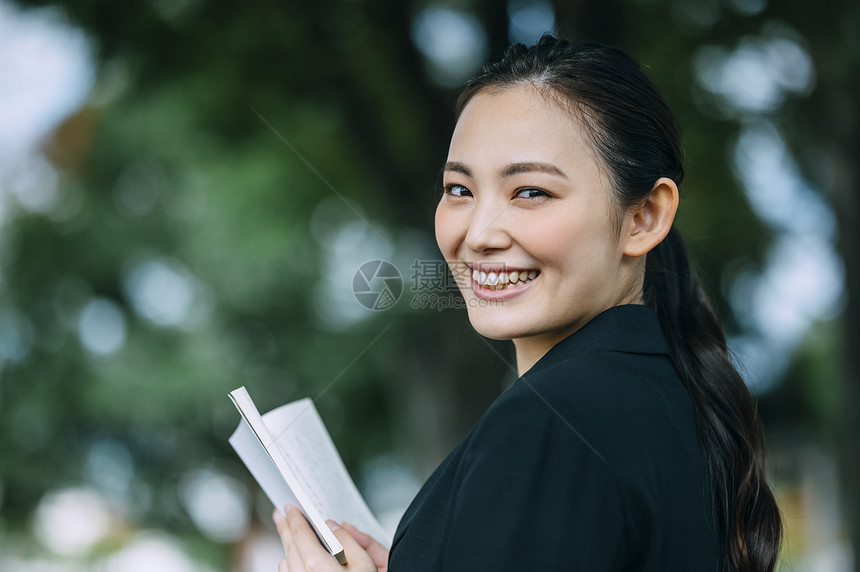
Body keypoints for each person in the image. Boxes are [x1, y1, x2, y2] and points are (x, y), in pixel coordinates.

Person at [273, 35, 783, 571]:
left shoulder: (549, 421)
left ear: (644, 217)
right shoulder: (675, 405)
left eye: (531, 192)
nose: (479, 234)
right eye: (460, 190)